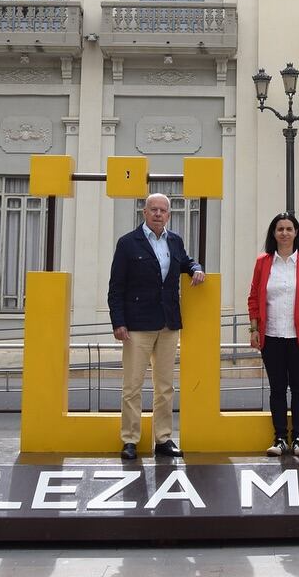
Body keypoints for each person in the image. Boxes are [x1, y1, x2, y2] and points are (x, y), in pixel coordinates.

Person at [108, 192, 205, 460]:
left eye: (163, 210)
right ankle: (130, 440)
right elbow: (116, 287)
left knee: (165, 386)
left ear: (169, 215)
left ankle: (163, 439)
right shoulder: (128, 243)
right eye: (154, 210)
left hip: (168, 323)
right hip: (137, 325)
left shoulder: (175, 241)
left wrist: (196, 267)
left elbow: (185, 262)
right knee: (133, 386)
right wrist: (119, 322)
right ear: (144, 212)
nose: (159, 214)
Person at [247, 213, 299, 458]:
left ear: (296, 233)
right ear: (274, 234)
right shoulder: (263, 263)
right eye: (280, 229)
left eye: (289, 229)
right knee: (277, 389)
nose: (284, 233)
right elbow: (253, 299)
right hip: (270, 335)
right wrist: (254, 330)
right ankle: (280, 438)